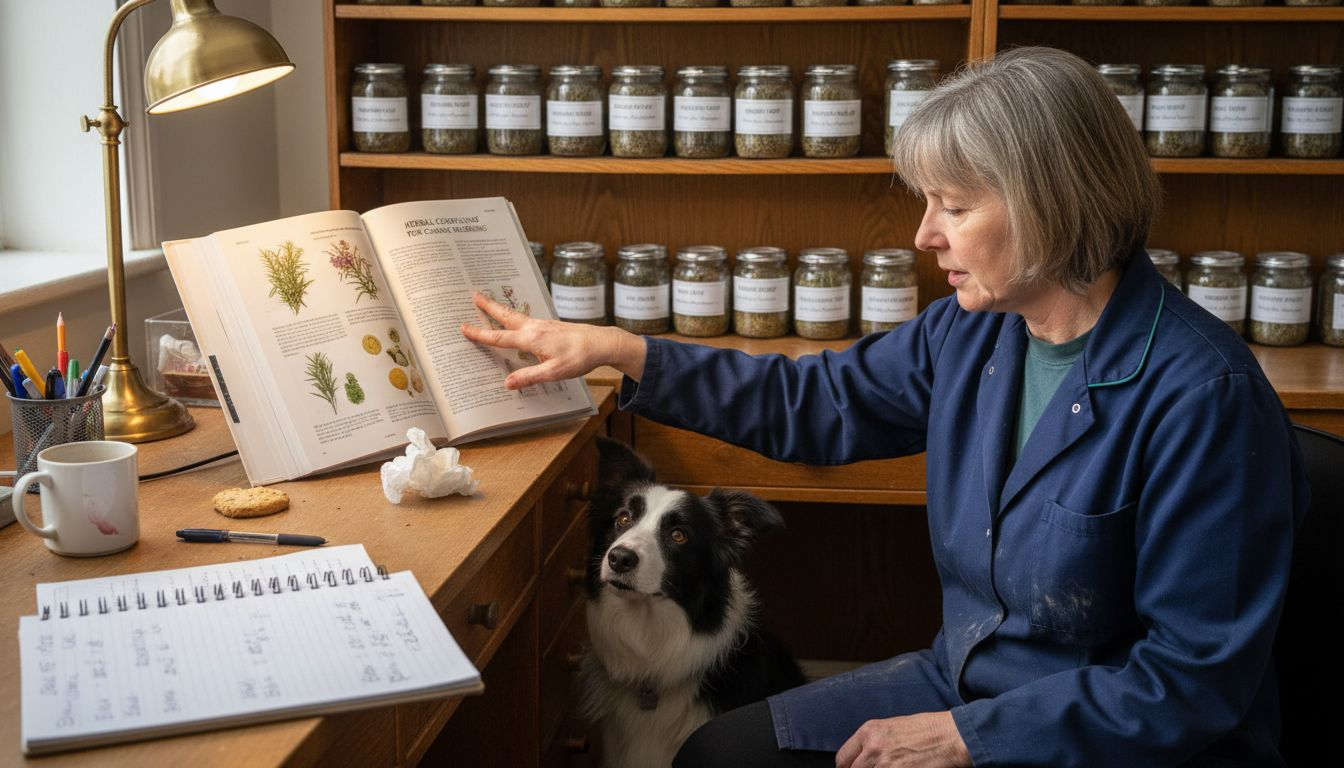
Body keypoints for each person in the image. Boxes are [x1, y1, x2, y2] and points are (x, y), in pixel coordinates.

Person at [461, 47, 1308, 767]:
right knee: (719, 754)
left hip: (1097, 738)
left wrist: (968, 738)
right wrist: (622, 352)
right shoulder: (974, 332)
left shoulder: (1203, 398)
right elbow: (814, 400)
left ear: (1053, 204)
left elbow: (1190, 682)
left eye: (956, 205)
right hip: (967, 685)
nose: (923, 235)